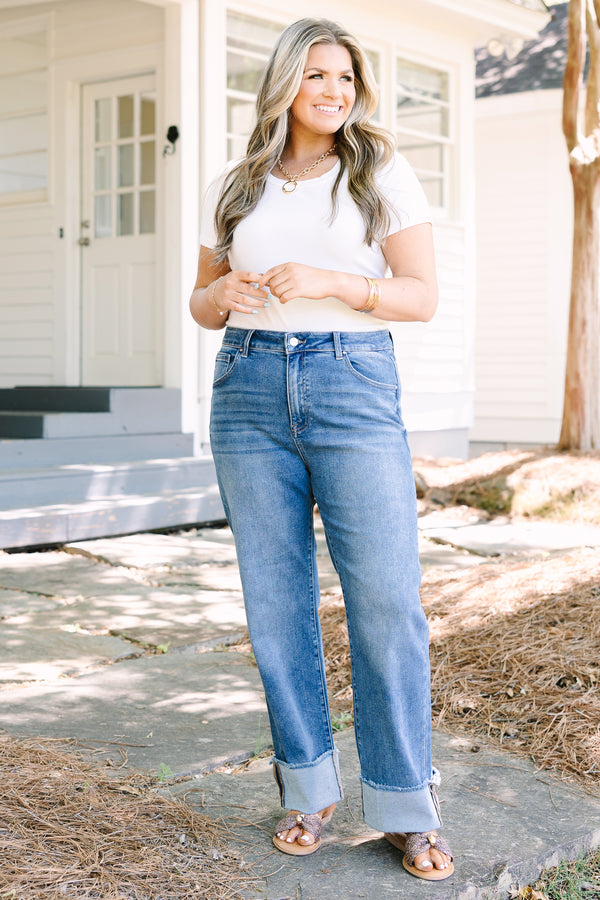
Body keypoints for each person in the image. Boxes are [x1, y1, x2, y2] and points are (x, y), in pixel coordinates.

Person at [189, 17, 454, 882]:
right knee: (276, 605)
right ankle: (307, 790)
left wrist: (335, 282)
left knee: (386, 599)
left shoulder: (380, 171)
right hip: (248, 389)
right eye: (316, 76)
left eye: (345, 77)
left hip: (353, 384)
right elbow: (201, 301)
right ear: (283, 85)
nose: (334, 91)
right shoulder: (235, 185)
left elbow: (420, 296)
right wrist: (223, 293)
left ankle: (405, 805)